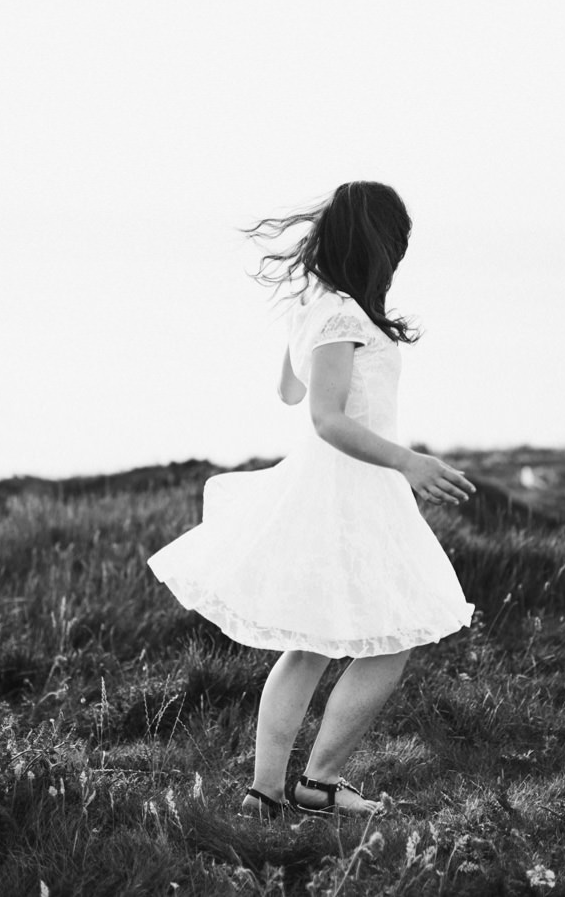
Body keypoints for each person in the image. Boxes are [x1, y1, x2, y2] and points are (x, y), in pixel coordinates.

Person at [148, 181, 478, 819]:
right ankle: (318, 782)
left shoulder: (321, 308)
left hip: (335, 487)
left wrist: (312, 328)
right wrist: (409, 461)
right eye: (398, 242)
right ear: (381, 244)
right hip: (352, 490)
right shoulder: (342, 315)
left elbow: (288, 392)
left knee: (314, 643)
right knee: (394, 635)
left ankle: (266, 792)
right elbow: (324, 417)